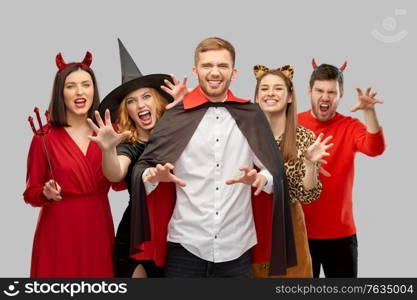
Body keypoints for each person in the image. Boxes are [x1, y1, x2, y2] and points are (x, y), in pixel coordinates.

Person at [129, 37, 297, 278]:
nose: (215, 72)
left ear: (234, 72)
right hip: (184, 248)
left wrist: (263, 179)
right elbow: (142, 170)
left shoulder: (251, 115)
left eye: (222, 66)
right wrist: (153, 176)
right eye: (207, 66)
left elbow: (275, 171)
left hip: (237, 251)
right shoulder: (176, 116)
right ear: (196, 71)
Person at [87, 39, 186, 278]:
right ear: (127, 111)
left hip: (178, 234)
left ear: (157, 101)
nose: (140, 104)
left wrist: (186, 110)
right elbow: (116, 173)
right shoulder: (129, 145)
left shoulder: (177, 135)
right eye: (132, 101)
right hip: (138, 235)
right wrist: (109, 149)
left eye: (146, 97)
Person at [23, 52, 122, 277]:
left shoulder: (109, 132)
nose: (80, 91)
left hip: (97, 226)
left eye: (86, 84)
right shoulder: (43, 136)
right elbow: (30, 193)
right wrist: (45, 192)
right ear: (61, 93)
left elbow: (119, 183)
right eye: (71, 86)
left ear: (94, 90)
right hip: (58, 230)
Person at [298, 60, 386, 277]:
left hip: (340, 234)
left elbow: (375, 148)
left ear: (340, 95)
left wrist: (369, 112)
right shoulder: (293, 124)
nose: (325, 97)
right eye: (319, 90)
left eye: (331, 92)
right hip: (299, 233)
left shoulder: (350, 126)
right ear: (310, 91)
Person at [252, 65, 333, 277]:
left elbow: (307, 195)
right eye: (264, 88)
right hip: (248, 222)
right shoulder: (242, 134)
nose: (270, 93)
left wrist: (309, 164)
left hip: (288, 226)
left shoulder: (304, 137)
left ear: (289, 97)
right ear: (257, 96)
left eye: (278, 88)